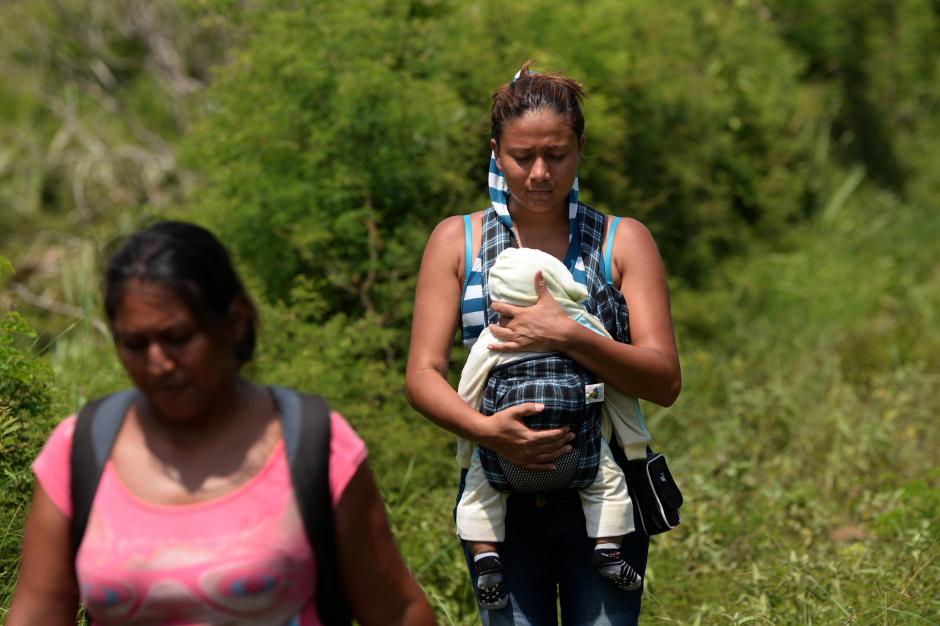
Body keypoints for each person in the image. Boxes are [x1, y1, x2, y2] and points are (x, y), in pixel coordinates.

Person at [8, 221, 437, 626]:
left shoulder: (311, 444)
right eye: (135, 344)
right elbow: (37, 614)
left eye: (177, 338)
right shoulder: (78, 452)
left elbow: (397, 612)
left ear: (233, 322)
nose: (157, 364)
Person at [405, 63, 681, 625]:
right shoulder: (456, 242)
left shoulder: (621, 242)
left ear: (580, 149)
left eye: (556, 155)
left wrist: (565, 333)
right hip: (498, 497)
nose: (538, 173)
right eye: (521, 156)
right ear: (495, 152)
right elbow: (422, 375)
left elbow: (664, 379)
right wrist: (486, 431)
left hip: (604, 500)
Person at [454, 247, 644, 610]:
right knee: (608, 482)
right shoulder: (580, 326)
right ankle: (607, 548)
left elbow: (469, 388)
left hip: (501, 451)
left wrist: (474, 438)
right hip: (579, 449)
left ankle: (486, 558)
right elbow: (618, 390)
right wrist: (634, 441)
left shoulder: (495, 335)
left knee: (478, 493)